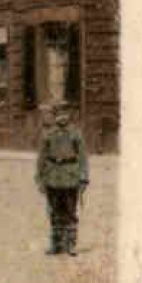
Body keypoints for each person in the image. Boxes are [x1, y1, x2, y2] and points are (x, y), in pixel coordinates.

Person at [36, 104, 89, 256]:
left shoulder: (75, 134)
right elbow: (42, 158)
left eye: (65, 113)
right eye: (59, 114)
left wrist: (84, 178)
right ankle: (56, 244)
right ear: (55, 116)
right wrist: (40, 178)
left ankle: (70, 244)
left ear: (69, 115)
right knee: (54, 211)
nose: (62, 117)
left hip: (70, 177)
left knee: (70, 211)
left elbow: (83, 158)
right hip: (53, 177)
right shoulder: (48, 134)